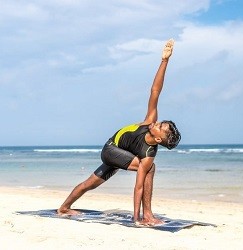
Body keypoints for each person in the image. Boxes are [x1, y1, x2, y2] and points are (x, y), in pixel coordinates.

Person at [57, 39, 181, 225]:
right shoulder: (149, 121)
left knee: (90, 183)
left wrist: (135, 219)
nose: (156, 123)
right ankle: (147, 215)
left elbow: (138, 186)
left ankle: (64, 207)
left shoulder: (148, 155)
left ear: (157, 138)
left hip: (120, 155)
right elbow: (155, 90)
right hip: (110, 149)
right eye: (161, 123)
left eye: (160, 127)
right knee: (149, 169)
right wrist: (165, 60)